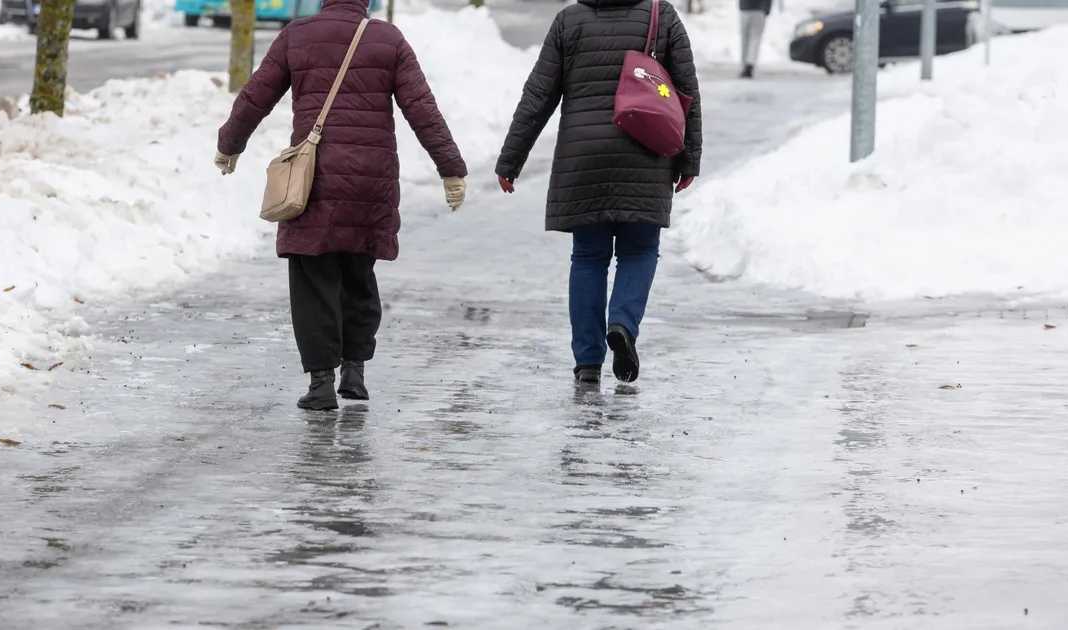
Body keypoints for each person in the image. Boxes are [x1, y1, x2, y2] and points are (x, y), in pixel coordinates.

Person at [214, 0, 468, 411]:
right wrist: (450, 168)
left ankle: (320, 385)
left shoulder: (297, 35)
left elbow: (255, 96)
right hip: (371, 178)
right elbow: (422, 109)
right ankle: (354, 370)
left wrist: (229, 144)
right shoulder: (388, 38)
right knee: (359, 272)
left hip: (314, 179)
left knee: (313, 277)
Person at [495, 0, 702, 384]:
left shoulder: (568, 21)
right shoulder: (663, 15)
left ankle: (587, 362)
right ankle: (622, 324)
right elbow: (687, 92)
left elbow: (538, 95)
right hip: (646, 151)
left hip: (583, 157)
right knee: (639, 251)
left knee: (588, 258)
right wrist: (689, 159)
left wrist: (511, 159)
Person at [739, 0, 773, 78]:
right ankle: (750, 63)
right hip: (759, 10)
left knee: (744, 40)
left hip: (745, 9)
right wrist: (767, 10)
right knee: (755, 38)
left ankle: (744, 64)